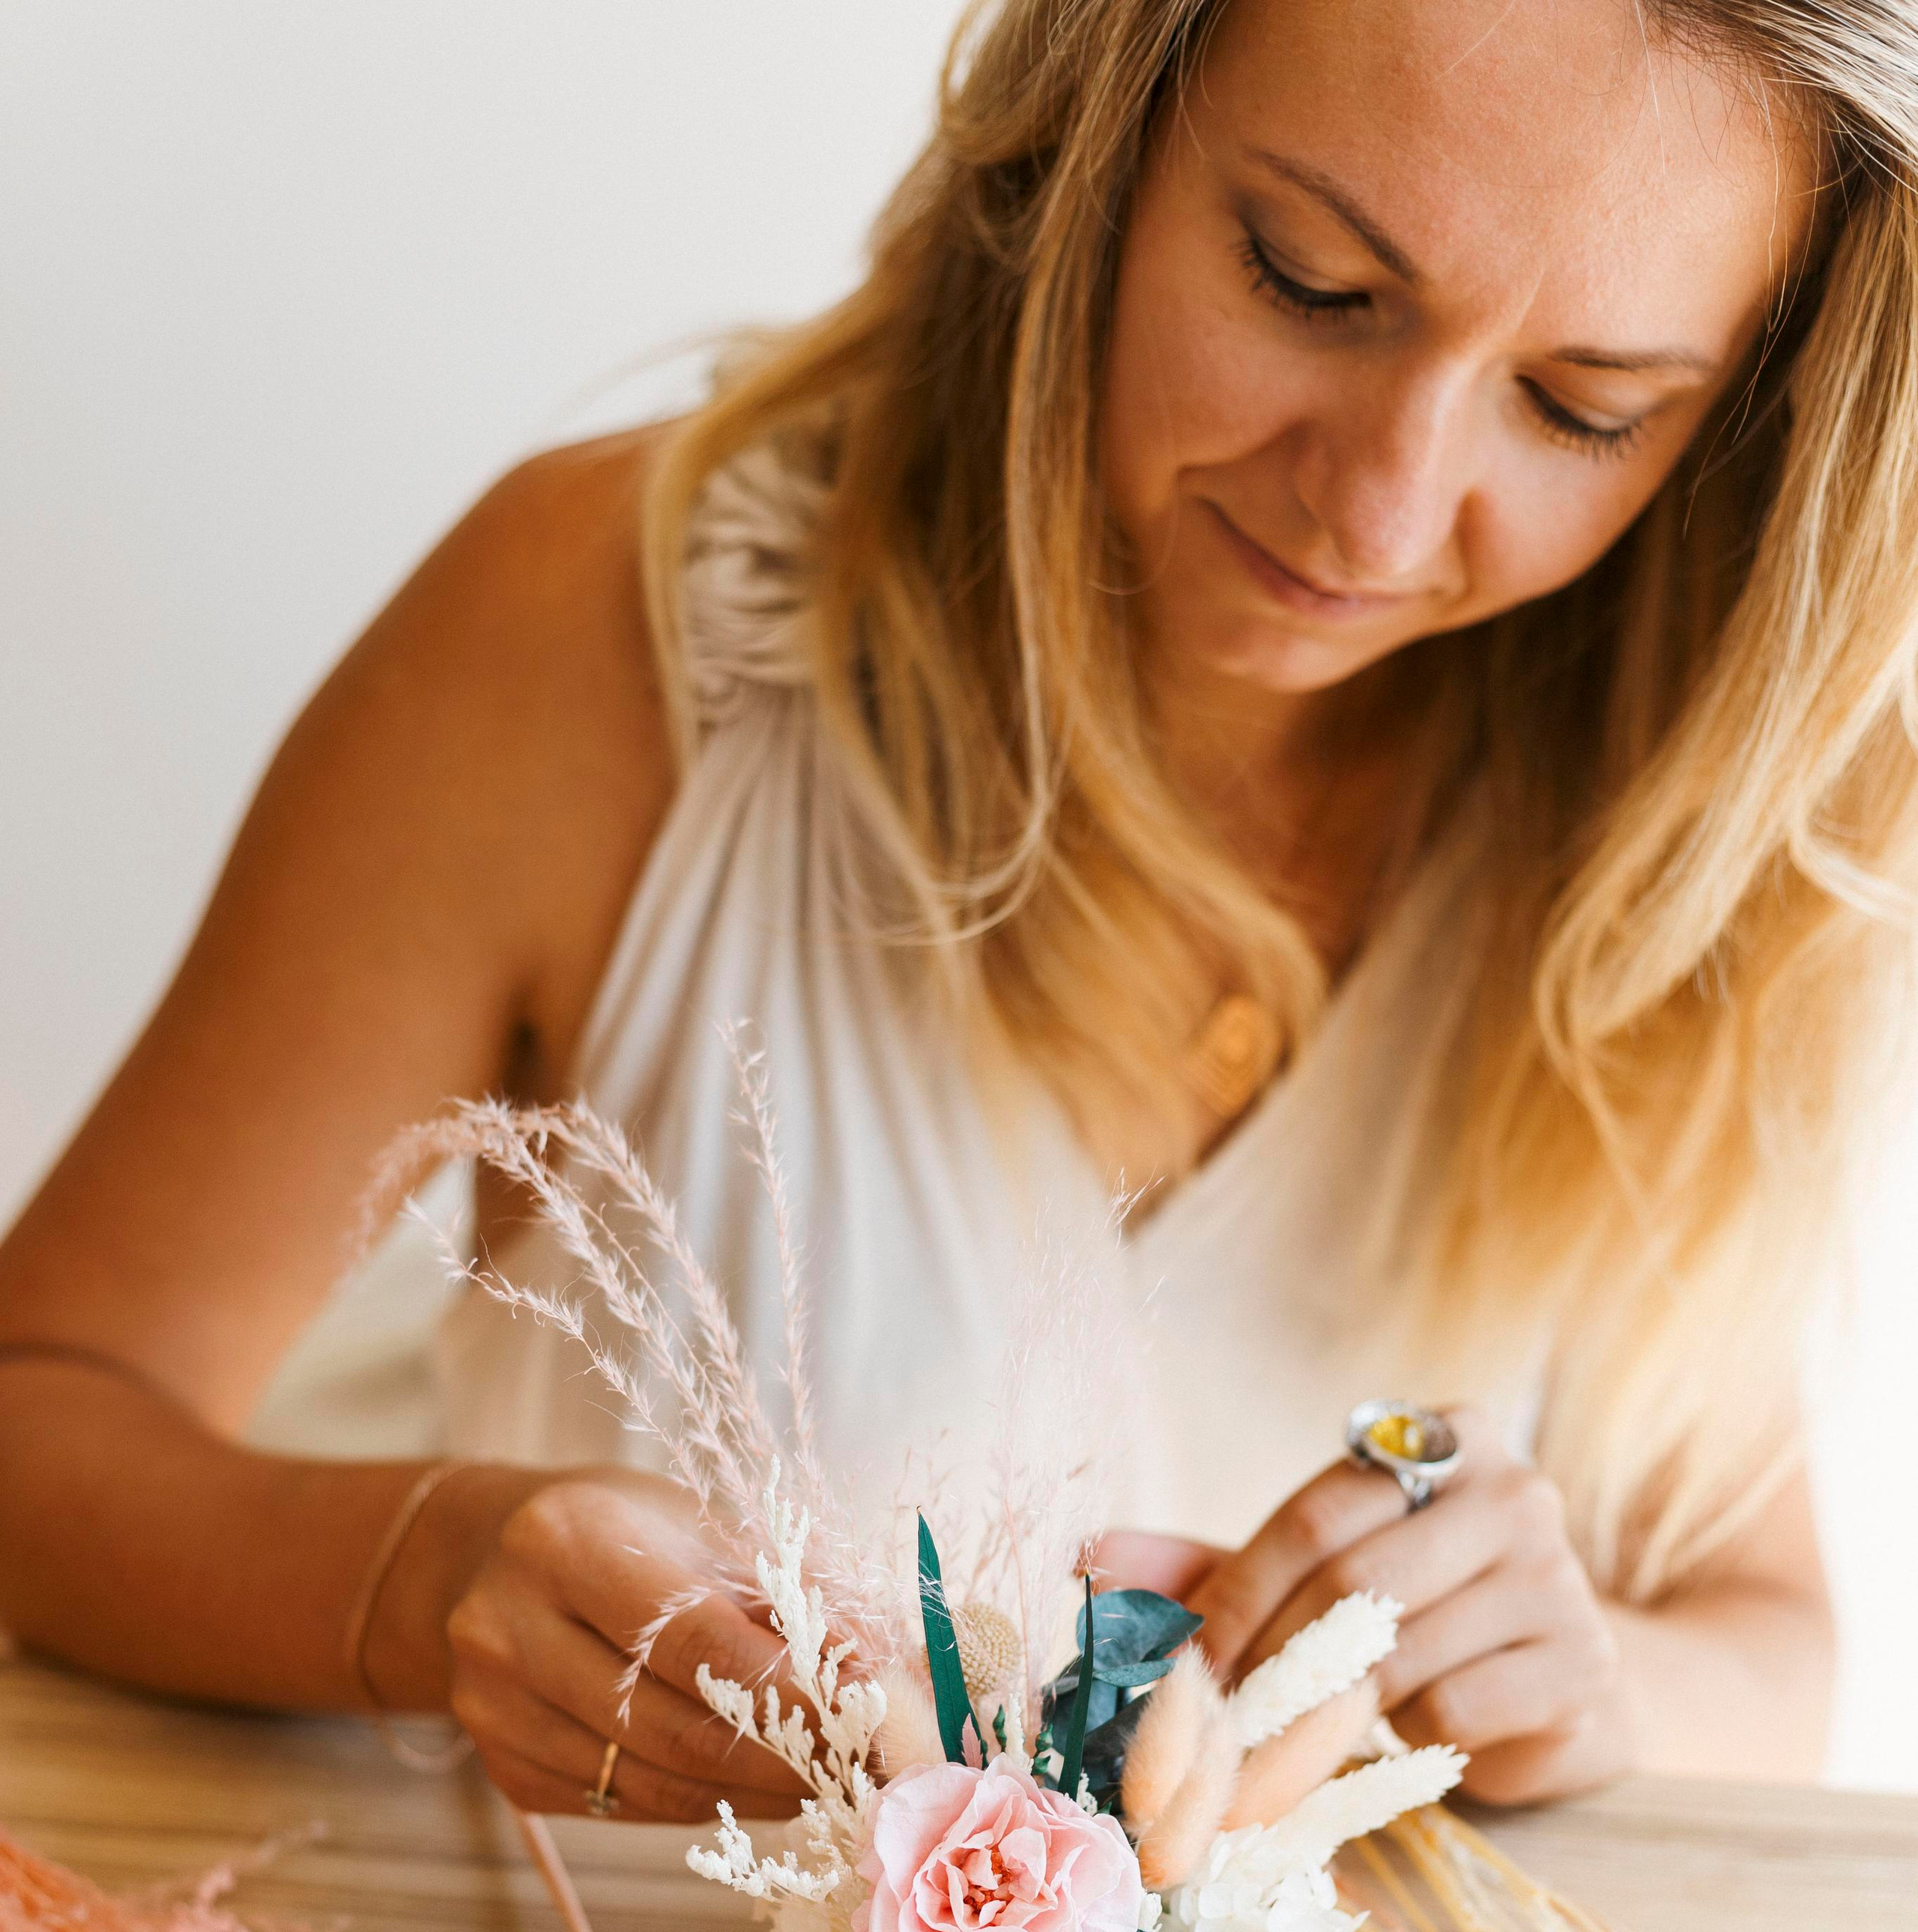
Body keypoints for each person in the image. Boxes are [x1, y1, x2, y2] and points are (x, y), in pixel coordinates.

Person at [1, 0, 1906, 1822]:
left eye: (1580, 409)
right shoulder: (605, 648)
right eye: (1308, 283)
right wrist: (423, 1579)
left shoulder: (1693, 843)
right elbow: (42, 1427)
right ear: (1095, 126)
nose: (1380, 516)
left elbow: (1768, 1650)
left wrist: (1581, 1687)